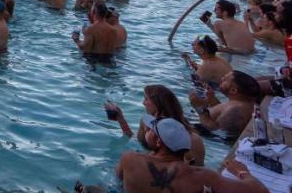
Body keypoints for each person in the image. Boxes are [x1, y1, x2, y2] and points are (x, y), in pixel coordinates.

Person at [114, 117, 267, 193]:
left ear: (158, 142)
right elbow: (260, 190)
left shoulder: (130, 159)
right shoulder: (202, 176)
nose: (146, 130)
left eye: (150, 129)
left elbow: (118, 181)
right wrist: (243, 172)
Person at [106, 84, 206, 166]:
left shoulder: (190, 138)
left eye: (146, 99)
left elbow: (195, 169)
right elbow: (133, 140)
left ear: (158, 104)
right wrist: (121, 119)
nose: (143, 103)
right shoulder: (148, 122)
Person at [189, 70, 259, 137]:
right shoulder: (239, 103)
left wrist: (200, 109)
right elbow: (222, 115)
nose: (222, 79)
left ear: (233, 90)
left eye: (225, 79)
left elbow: (217, 132)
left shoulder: (236, 110)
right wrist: (212, 99)